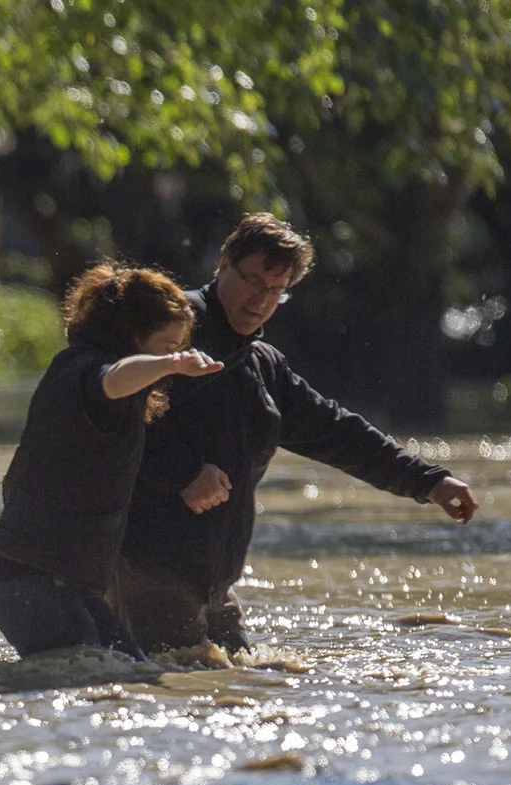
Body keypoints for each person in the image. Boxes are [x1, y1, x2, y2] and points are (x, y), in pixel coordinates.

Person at [113, 213, 479, 654]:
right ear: (223, 265)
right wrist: (184, 471)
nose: (261, 300)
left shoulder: (263, 366)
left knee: (244, 681)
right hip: (145, 566)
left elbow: (336, 430)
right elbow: (113, 413)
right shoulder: (169, 334)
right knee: (177, 690)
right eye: (253, 282)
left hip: (213, 577)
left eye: (276, 291)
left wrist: (427, 480)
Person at [0, 263, 222, 658]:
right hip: (31, 580)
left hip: (59, 580)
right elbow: (115, 377)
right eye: (166, 346)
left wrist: (164, 360)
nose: (174, 356)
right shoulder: (90, 374)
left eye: (178, 348)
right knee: (93, 684)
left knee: (131, 674)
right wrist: (172, 365)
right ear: (132, 337)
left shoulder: (73, 366)